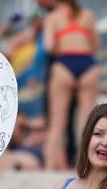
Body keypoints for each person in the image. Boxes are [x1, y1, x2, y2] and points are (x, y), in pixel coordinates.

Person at [42, 0, 100, 170]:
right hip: (87, 64)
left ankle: (48, 166)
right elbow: (95, 45)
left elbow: (49, 46)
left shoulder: (53, 17)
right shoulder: (88, 15)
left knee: (57, 122)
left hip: (64, 63)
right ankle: (88, 167)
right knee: (86, 121)